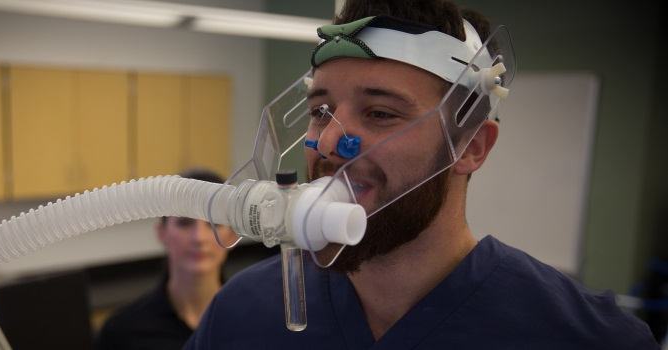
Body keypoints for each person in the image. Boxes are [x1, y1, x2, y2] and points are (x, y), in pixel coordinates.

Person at [184, 0, 659, 348]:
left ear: (471, 147)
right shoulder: (242, 313)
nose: (328, 142)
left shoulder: (587, 339)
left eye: (380, 113)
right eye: (321, 110)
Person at [96, 169, 235, 350]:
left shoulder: (254, 320)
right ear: (162, 233)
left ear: (232, 235)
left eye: (215, 223)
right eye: (184, 223)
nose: (199, 237)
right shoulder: (122, 332)